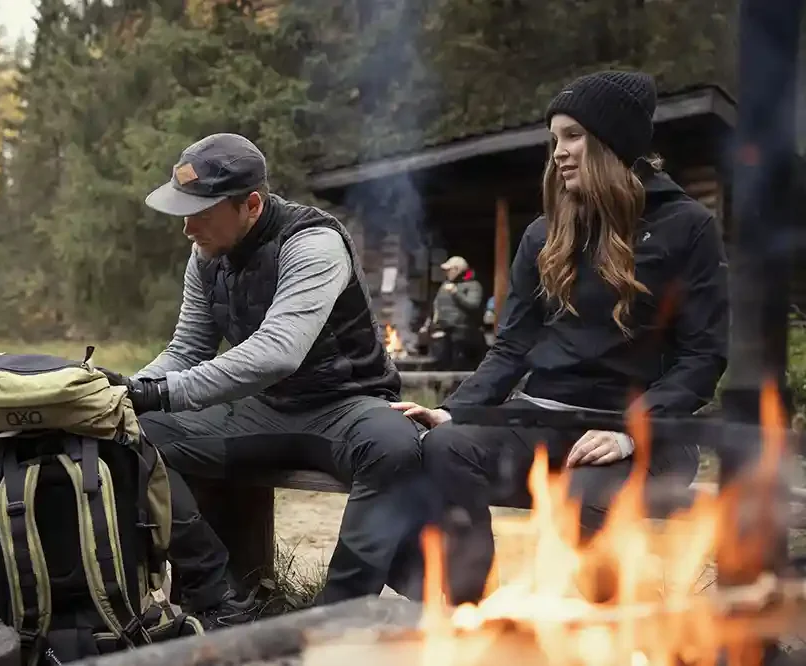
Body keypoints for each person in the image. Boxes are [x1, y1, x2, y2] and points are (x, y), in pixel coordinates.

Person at [391, 70, 729, 604]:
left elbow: (703, 356)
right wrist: (459, 410)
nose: (559, 153)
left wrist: (630, 432)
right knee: (446, 447)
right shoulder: (544, 234)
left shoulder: (687, 227)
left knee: (580, 499)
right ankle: (469, 615)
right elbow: (511, 345)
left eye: (573, 136)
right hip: (541, 419)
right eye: (554, 140)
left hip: (645, 432)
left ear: (613, 141)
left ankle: (613, 625)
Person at [101, 133, 424, 627]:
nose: (187, 227)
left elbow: (277, 352)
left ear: (250, 205)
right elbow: (187, 349)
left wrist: (158, 393)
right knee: (129, 435)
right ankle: (220, 597)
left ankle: (334, 618)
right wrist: (126, 392)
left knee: (395, 446)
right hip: (264, 409)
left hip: (346, 407)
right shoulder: (206, 254)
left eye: (200, 212)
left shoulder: (313, 243)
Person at [420, 256, 488, 370]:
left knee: (459, 364)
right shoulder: (445, 285)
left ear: (457, 270)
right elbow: (436, 305)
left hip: (463, 333)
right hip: (444, 332)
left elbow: (473, 304)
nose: (446, 273)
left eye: (449, 270)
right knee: (441, 363)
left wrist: (456, 293)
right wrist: (428, 324)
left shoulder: (473, 285)